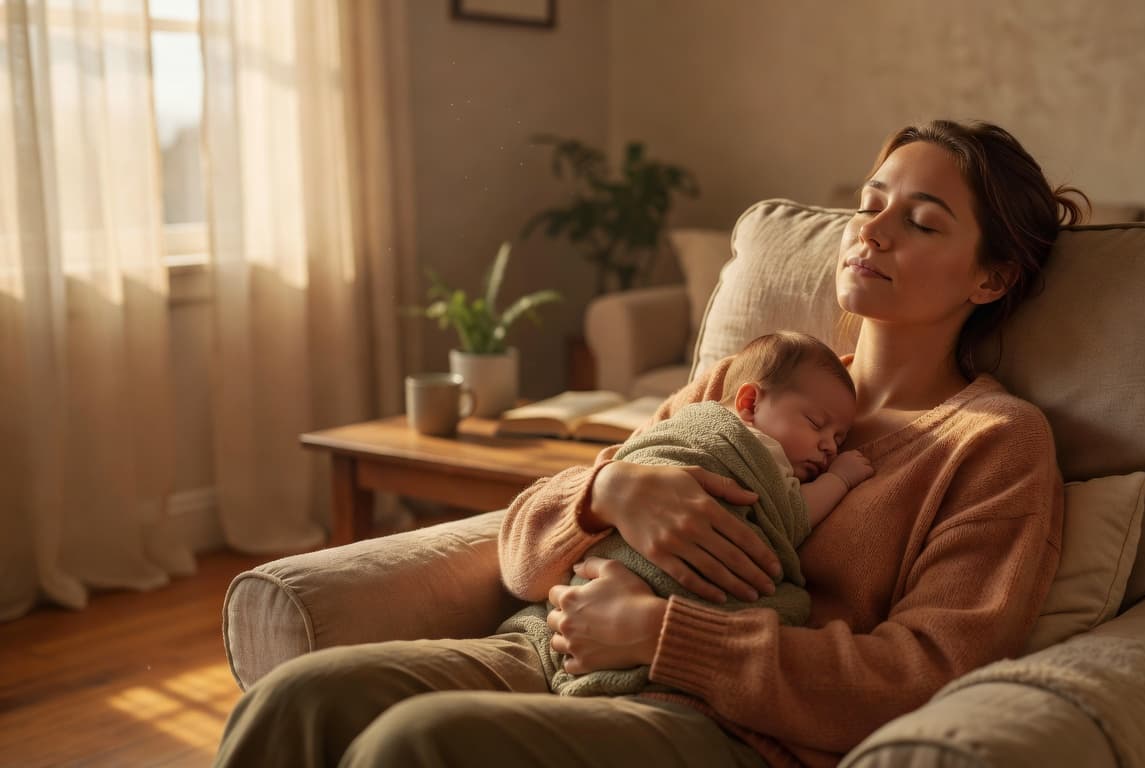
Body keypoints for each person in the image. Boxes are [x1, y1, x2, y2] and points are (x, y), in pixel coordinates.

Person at [214, 119, 1086, 768]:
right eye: (870, 205)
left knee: (418, 744)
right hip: (545, 649)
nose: (874, 231)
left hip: (721, 721)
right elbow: (523, 557)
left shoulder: (991, 444)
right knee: (297, 699)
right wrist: (606, 494)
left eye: (923, 222)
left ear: (993, 275)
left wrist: (663, 635)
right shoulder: (759, 378)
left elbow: (926, 671)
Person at [501, 330, 875, 697]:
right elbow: (795, 514)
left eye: (839, 440)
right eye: (815, 425)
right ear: (749, 403)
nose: (828, 447)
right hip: (580, 611)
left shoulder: (780, 405)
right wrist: (606, 488)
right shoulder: (751, 441)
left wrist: (651, 629)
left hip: (647, 651)